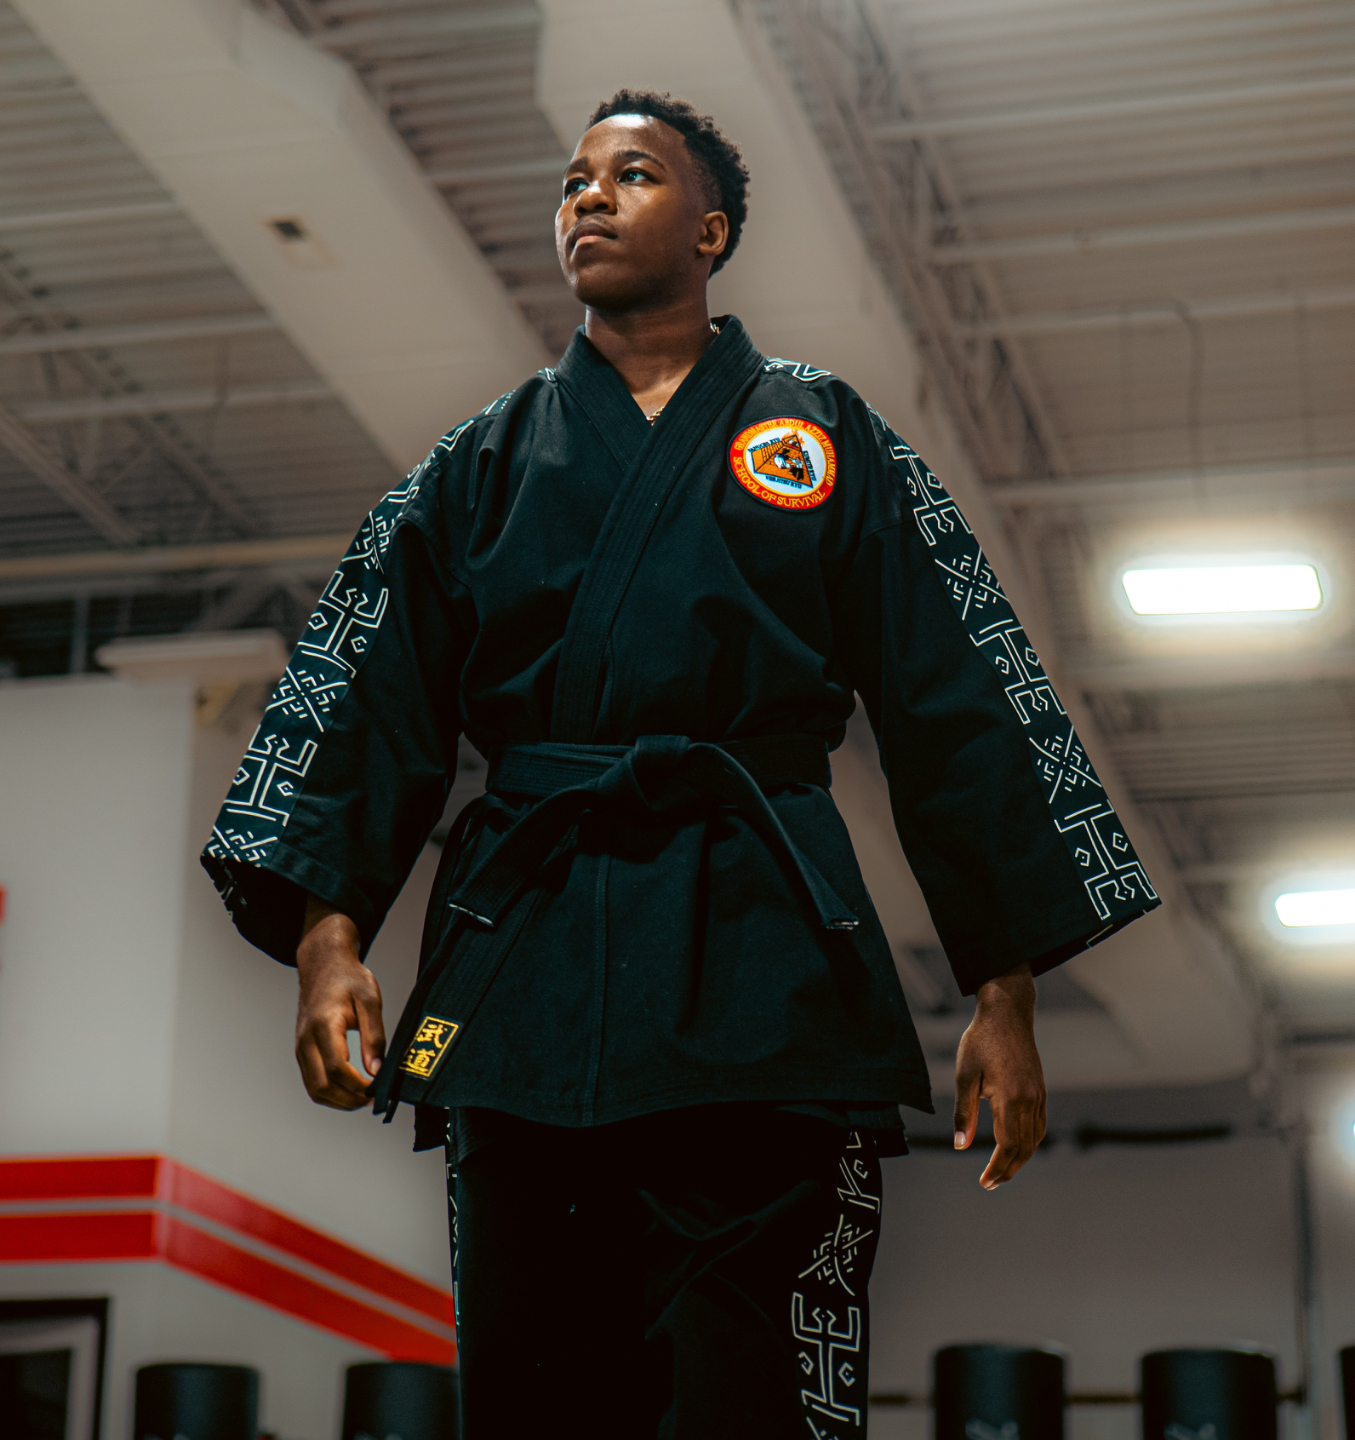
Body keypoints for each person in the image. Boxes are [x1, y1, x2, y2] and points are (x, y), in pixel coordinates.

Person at [203, 89, 1157, 1439]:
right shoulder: (479, 466)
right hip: (527, 965)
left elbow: (955, 700)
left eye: (633, 175)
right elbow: (370, 695)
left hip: (761, 954)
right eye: (573, 180)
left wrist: (1005, 996)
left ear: (710, 230)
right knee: (533, 1401)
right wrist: (328, 940)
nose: (587, 198)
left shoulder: (825, 437)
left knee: (747, 1396)